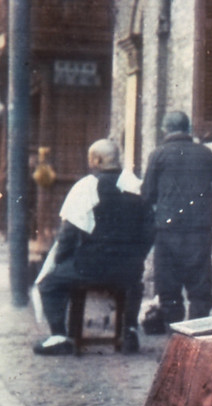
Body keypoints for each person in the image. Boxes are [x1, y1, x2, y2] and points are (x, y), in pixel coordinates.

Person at [34, 139, 154, 355]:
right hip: (129, 268)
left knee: (49, 283)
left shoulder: (86, 187)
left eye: (91, 158)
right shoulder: (138, 186)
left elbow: (68, 235)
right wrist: (137, 257)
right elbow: (150, 232)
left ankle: (59, 336)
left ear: (97, 160)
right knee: (133, 282)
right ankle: (129, 331)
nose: (90, 163)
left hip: (91, 268)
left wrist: (61, 261)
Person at [141, 111, 212, 326]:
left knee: (168, 285)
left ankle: (174, 337)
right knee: (200, 284)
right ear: (189, 129)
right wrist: (205, 193)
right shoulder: (205, 153)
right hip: (200, 229)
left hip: (168, 228)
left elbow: (147, 194)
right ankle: (197, 334)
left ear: (166, 130)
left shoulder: (158, 155)